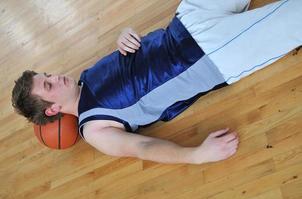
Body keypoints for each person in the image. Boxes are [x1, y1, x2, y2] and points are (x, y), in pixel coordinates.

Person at [12, 0, 302, 164]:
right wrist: (197, 155)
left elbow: (130, 60)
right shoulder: (95, 130)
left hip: (188, 19)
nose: (55, 76)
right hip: (211, 56)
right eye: (48, 85)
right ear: (51, 110)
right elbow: (144, 148)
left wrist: (124, 34)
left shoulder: (86, 78)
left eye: (47, 74)